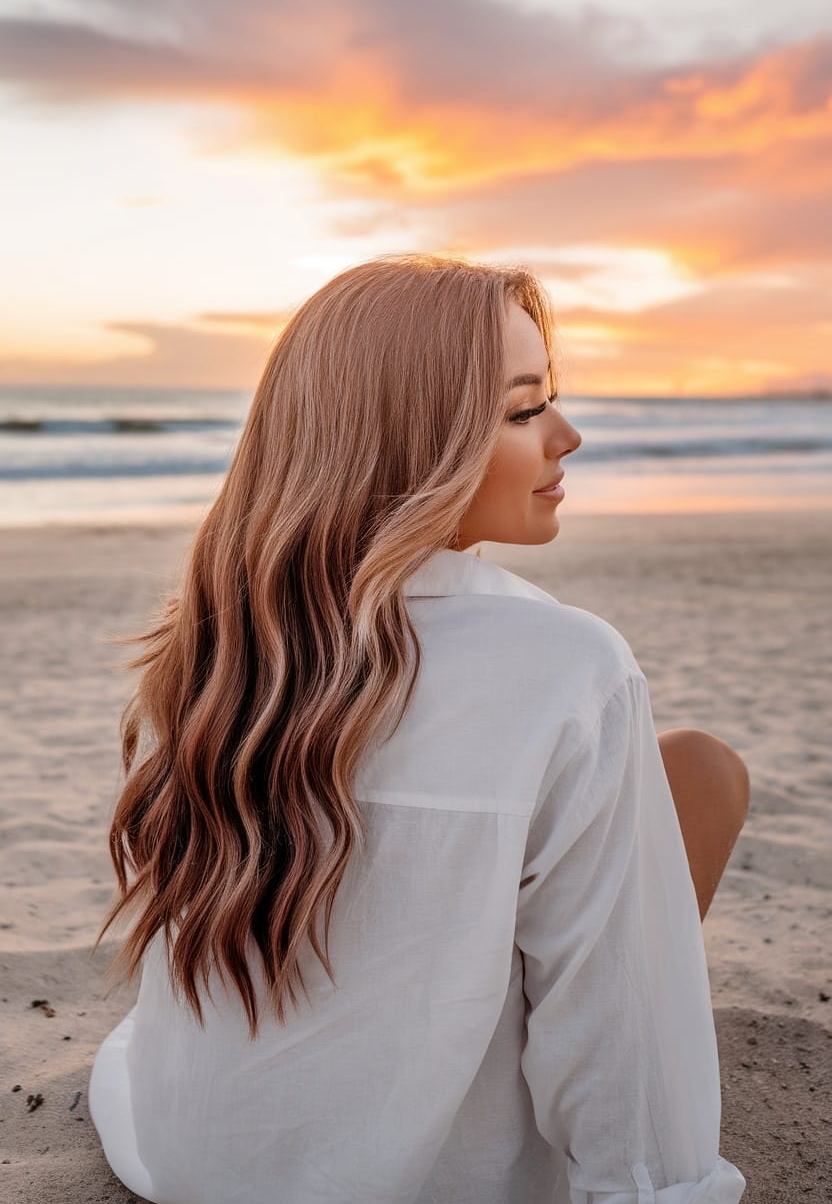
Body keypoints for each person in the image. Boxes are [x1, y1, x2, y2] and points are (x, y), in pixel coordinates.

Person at [89, 253, 749, 1203]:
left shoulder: (217, 647)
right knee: (703, 773)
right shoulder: (566, 666)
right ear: (417, 442)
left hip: (194, 1160)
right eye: (524, 411)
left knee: (678, 769)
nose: (567, 434)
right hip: (436, 1176)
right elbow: (617, 1033)